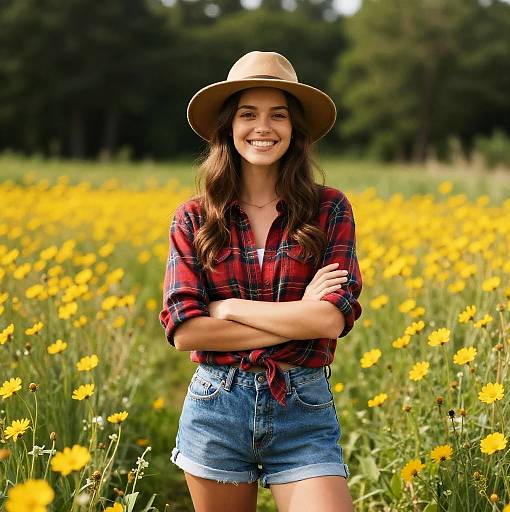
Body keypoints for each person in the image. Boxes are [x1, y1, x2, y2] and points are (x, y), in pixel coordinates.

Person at [159, 51, 363, 512]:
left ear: (295, 130)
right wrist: (299, 318)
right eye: (248, 114)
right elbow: (185, 330)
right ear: (229, 127)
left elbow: (331, 320)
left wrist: (228, 307)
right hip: (216, 407)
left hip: (302, 408)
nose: (263, 128)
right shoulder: (193, 217)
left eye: (278, 116)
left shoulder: (329, 208)